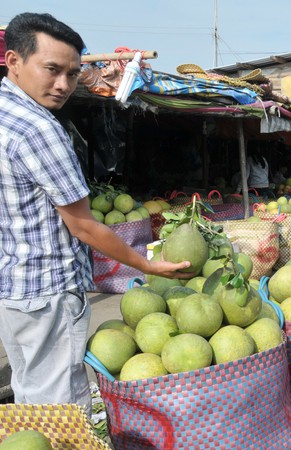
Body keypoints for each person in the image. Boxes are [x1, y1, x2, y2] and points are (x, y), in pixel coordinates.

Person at [0, 13, 191, 413]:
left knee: (31, 396)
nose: (63, 85)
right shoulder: (39, 129)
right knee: (62, 410)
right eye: (52, 70)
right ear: (14, 61)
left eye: (71, 73)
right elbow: (84, 226)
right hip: (49, 292)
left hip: (15, 290)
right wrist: (147, 266)